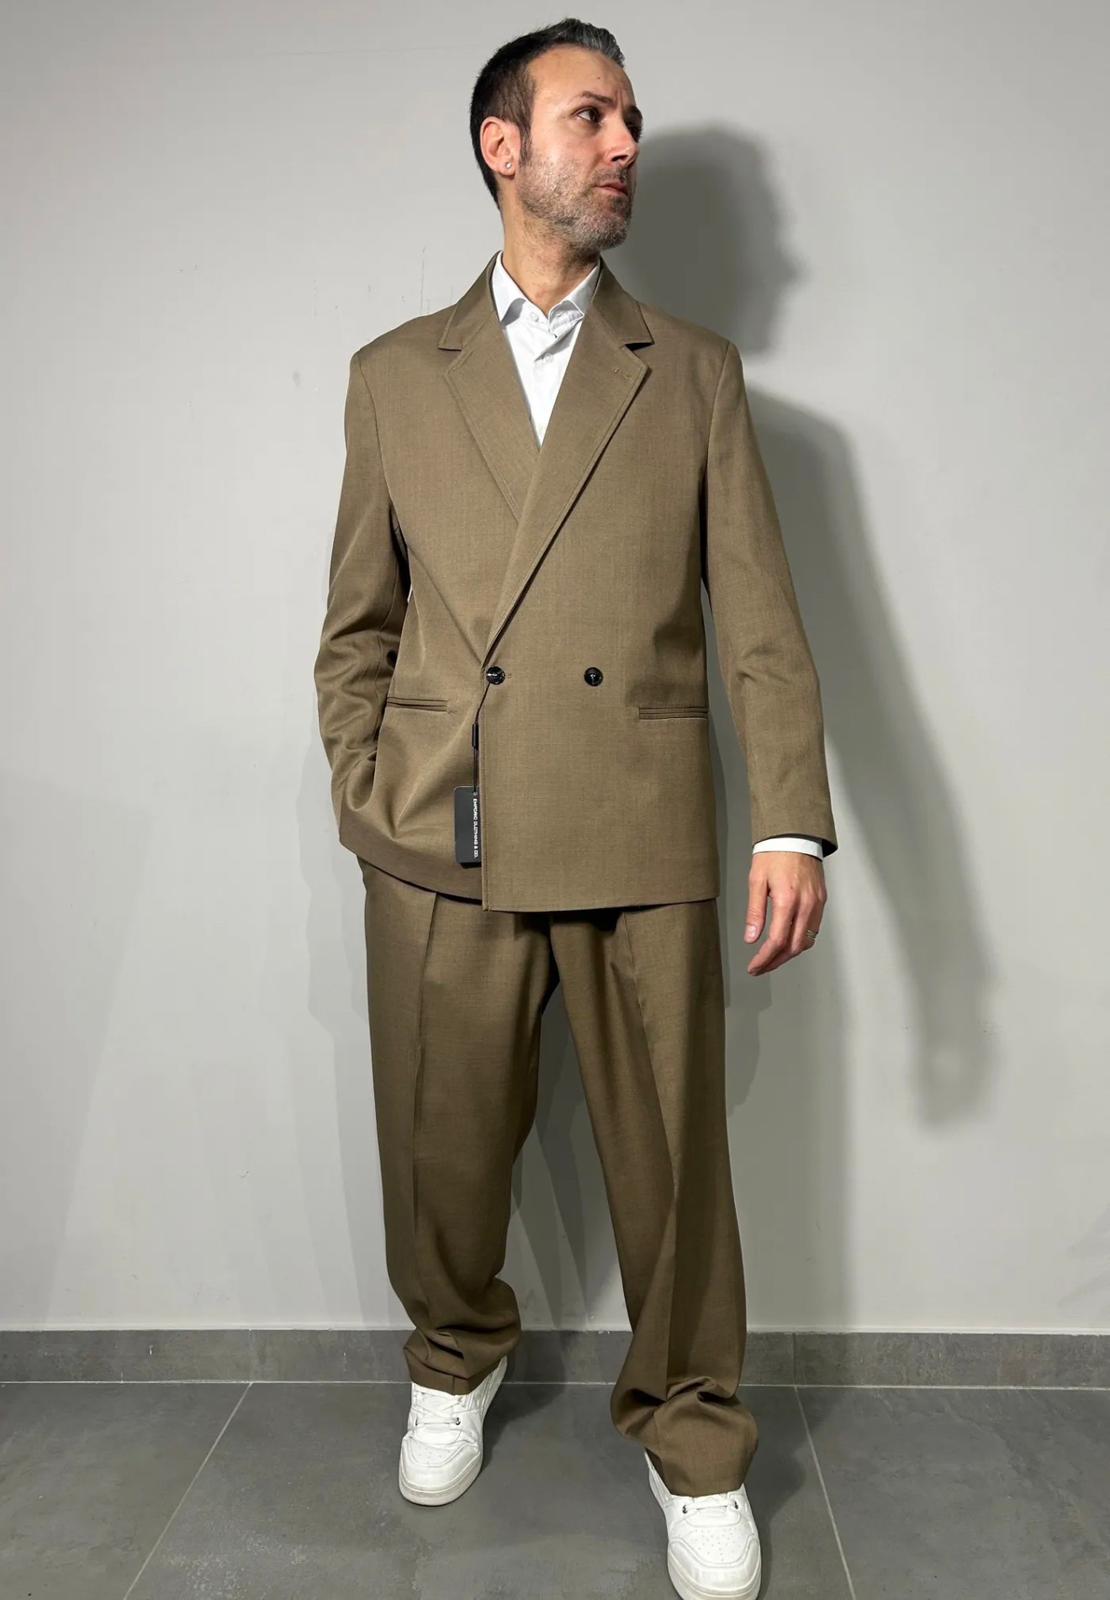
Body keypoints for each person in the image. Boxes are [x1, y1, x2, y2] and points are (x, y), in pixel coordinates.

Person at [313, 18, 837, 1600]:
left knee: (673, 1171)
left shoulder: (689, 371)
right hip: (444, 826)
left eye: (630, 122)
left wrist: (787, 820)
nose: (623, 147)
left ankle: (693, 1441)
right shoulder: (395, 375)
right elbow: (355, 629)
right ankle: (453, 1356)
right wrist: (369, 791)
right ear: (503, 146)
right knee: (441, 1145)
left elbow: (759, 619)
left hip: (638, 820)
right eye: (592, 116)